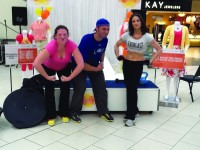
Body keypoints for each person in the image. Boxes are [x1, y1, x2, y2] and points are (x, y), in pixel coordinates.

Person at [114, 13, 162, 127]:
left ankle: (131, 116)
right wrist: (118, 56)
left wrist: (150, 61)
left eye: (137, 21)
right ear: (131, 23)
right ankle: (134, 110)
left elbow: (159, 49)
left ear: (141, 22)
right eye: (133, 21)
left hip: (138, 65)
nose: (135, 23)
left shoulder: (147, 36)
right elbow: (116, 45)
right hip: (127, 64)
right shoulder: (127, 35)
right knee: (129, 88)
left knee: (132, 89)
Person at [33, 25, 84, 126]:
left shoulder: (72, 45)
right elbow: (36, 63)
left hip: (64, 66)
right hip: (49, 66)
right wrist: (47, 77)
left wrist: (69, 78)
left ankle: (64, 113)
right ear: (55, 36)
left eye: (65, 34)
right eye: (59, 34)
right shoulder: (51, 46)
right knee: (49, 90)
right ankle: (50, 115)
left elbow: (81, 64)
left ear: (68, 36)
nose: (62, 37)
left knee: (65, 88)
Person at [70, 18, 114, 123]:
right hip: (79, 65)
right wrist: (96, 69)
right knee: (80, 88)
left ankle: (103, 112)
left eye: (108, 29)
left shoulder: (105, 39)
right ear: (97, 28)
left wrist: (102, 62)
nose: (106, 32)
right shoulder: (86, 39)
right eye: (104, 29)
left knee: (101, 87)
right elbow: (81, 63)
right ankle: (73, 113)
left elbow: (102, 51)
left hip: (94, 65)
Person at [162, 21, 190, 102]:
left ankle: (175, 94)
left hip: (180, 53)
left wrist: (184, 51)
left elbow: (187, 42)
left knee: (177, 75)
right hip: (170, 52)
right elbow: (164, 42)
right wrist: (166, 50)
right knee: (168, 74)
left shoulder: (185, 28)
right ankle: (167, 93)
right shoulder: (169, 27)